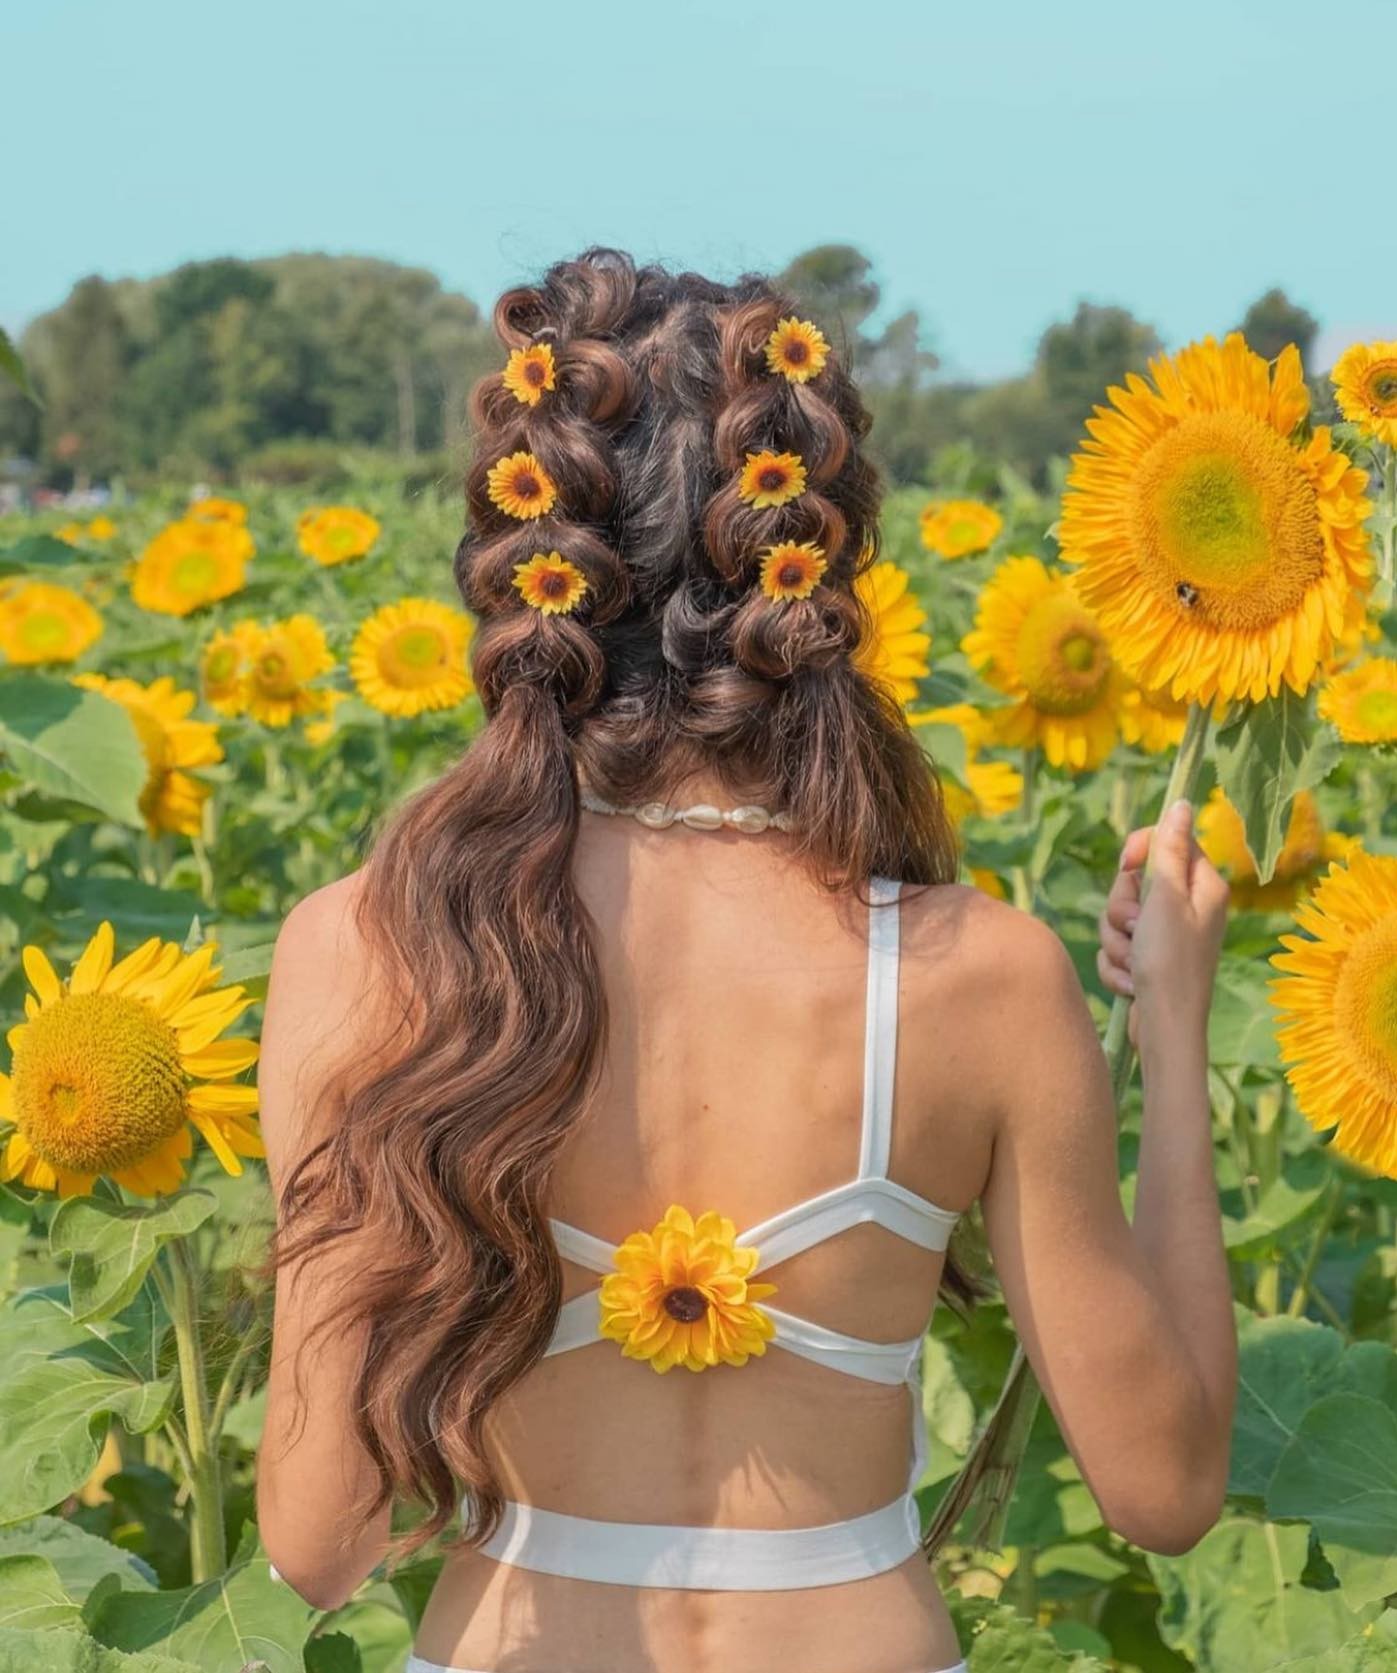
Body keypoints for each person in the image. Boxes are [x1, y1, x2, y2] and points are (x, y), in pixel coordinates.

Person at [253, 249, 1237, 1673]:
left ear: (531, 560)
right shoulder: (980, 975)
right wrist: (1176, 1037)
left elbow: (319, 1537)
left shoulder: (370, 952)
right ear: (817, 572)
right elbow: (1168, 1488)